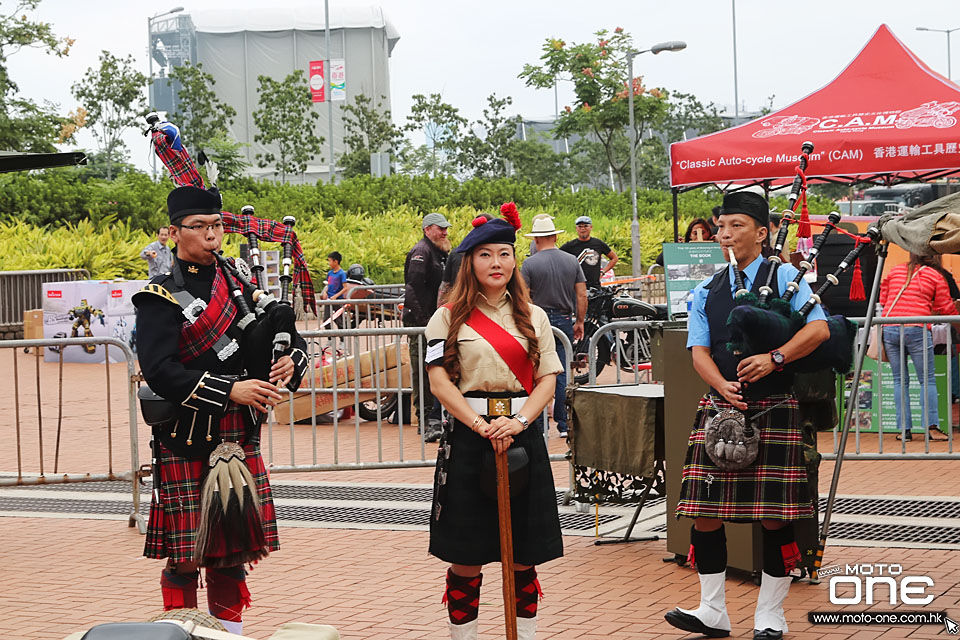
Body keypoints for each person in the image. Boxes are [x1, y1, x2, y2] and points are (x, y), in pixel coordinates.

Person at [133, 185, 310, 634]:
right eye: (199, 227)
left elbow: (283, 334)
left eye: (216, 226)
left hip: (238, 437)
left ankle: (230, 636)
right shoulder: (159, 296)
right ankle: (180, 632)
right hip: (187, 437)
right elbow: (159, 371)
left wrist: (292, 360)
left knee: (231, 557)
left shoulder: (238, 282)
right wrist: (230, 390)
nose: (211, 235)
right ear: (175, 232)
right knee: (185, 558)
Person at [665, 191, 829, 640]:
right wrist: (720, 384)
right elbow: (698, 351)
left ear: (762, 232)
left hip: (774, 407)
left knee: (775, 516)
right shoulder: (707, 289)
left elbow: (819, 328)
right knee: (703, 512)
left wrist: (775, 357)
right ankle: (712, 610)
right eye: (721, 227)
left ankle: (770, 615)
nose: (725, 234)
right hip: (721, 409)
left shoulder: (789, 278)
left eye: (736, 225)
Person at [424, 216, 563, 640]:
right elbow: (438, 381)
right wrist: (480, 425)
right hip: (470, 438)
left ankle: (527, 635)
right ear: (470, 263)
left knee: (524, 554)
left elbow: (547, 378)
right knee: (465, 554)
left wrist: (519, 422)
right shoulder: (445, 319)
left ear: (515, 261)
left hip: (523, 434)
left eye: (505, 254)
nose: (496, 262)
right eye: (485, 255)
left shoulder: (534, 316)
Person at [521, 215, 587, 438]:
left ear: (536, 239)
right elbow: (581, 294)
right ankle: (563, 423)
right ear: (555, 236)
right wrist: (580, 320)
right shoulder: (571, 261)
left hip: (536, 321)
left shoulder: (529, 264)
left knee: (536, 372)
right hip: (563, 319)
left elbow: (523, 298)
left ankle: (539, 425)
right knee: (559, 371)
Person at [879, 253, 956, 441]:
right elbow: (945, 306)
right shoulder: (935, 275)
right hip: (916, 329)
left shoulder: (895, 270)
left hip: (890, 328)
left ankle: (904, 430)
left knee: (899, 381)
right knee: (927, 380)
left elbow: (883, 299)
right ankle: (931, 428)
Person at [404, 212, 452, 442]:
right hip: (422, 323)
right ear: (427, 230)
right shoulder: (421, 253)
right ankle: (425, 421)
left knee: (434, 369)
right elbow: (412, 288)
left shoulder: (438, 252)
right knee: (423, 373)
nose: (444, 232)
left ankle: (433, 418)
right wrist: (424, 321)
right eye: (439, 228)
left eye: (445, 229)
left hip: (433, 322)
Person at [560, 215, 617, 289]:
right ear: (576, 228)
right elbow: (556, 258)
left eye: (585, 226)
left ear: (591, 227)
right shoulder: (570, 245)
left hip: (594, 287)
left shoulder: (598, 243)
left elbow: (614, 258)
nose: (583, 229)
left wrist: (603, 272)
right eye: (580, 226)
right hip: (575, 287)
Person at [321, 251, 347, 328]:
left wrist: (336, 296)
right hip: (329, 299)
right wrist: (325, 292)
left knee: (339, 321)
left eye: (330, 261)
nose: (329, 263)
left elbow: (345, 287)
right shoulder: (330, 273)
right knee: (326, 320)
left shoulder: (341, 273)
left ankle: (342, 338)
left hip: (338, 300)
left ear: (336, 261)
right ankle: (330, 338)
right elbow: (328, 285)